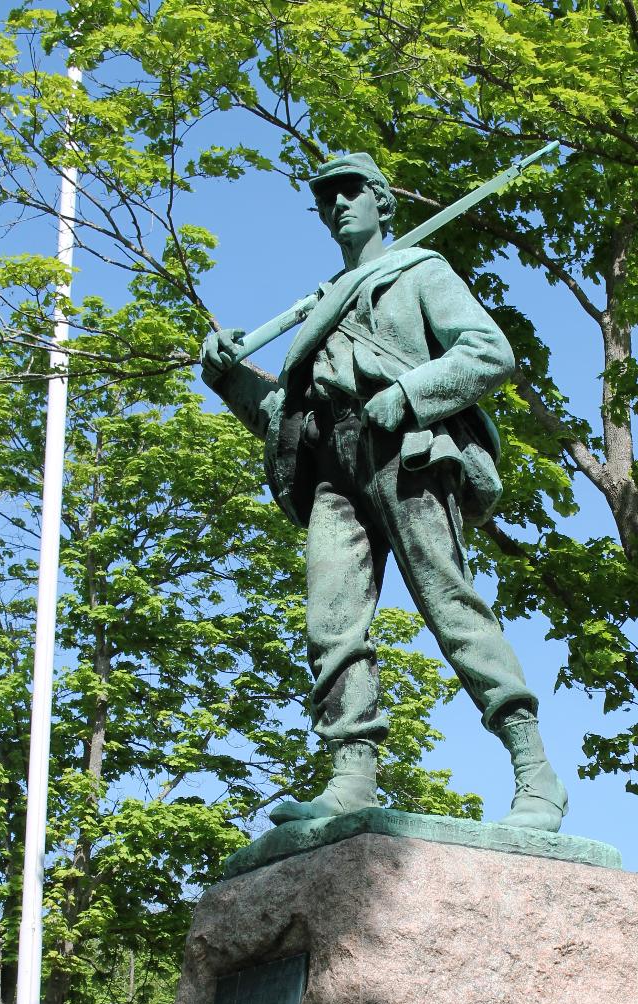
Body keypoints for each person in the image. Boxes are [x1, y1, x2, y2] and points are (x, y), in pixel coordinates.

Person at [201, 152, 567, 831]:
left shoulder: (420, 273)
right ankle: (351, 778)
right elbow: (283, 416)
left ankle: (535, 773)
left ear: (380, 202)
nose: (338, 204)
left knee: (450, 606)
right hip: (333, 466)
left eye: (351, 192)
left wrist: (408, 394)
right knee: (330, 622)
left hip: (408, 452)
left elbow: (489, 352)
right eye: (327, 198)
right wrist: (228, 378)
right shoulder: (317, 308)